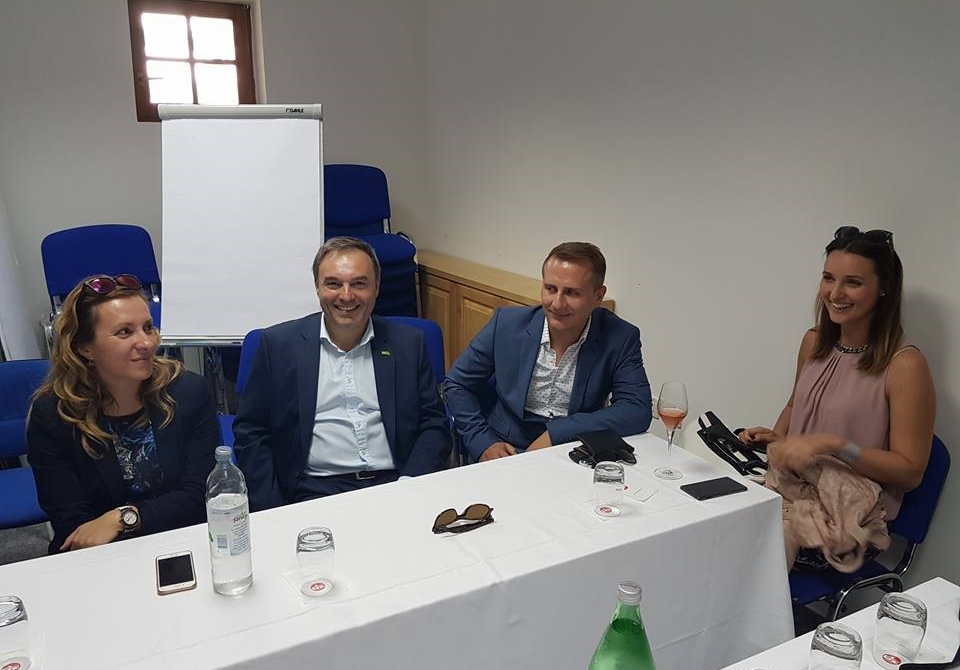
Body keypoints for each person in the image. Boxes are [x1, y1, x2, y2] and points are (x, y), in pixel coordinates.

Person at [740, 226, 936, 569]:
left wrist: (835, 445)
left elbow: (910, 472)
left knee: (750, 548)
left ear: (884, 288)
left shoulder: (905, 365)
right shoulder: (814, 342)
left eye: (853, 282)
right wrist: (779, 440)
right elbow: (795, 406)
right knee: (704, 513)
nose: (835, 293)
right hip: (791, 488)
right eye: (828, 278)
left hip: (848, 514)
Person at [233, 237, 451, 510]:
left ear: (376, 287)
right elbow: (251, 431)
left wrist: (410, 485)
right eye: (333, 284)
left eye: (359, 283)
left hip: (396, 484)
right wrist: (275, 510)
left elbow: (434, 424)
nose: (346, 296)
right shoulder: (278, 345)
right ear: (317, 287)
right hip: (315, 491)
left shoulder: (408, 343)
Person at [27, 274, 219, 554]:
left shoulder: (188, 392)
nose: (147, 343)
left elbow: (201, 493)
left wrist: (124, 518)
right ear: (85, 348)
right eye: (125, 332)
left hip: (183, 541)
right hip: (102, 555)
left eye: (148, 327)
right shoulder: (54, 414)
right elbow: (74, 524)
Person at [443, 242, 652, 462]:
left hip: (574, 449)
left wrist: (557, 433)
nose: (557, 304)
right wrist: (483, 442)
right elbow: (457, 384)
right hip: (505, 448)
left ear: (598, 296)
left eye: (572, 293)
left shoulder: (621, 337)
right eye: (551, 289)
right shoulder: (505, 324)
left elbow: (636, 409)